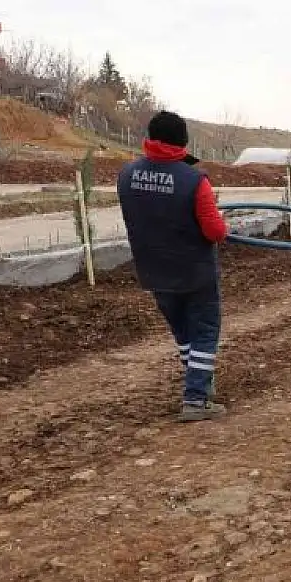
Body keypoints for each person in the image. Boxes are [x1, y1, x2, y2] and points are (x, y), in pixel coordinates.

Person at [116, 111, 229, 422]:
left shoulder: (127, 175)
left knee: (183, 332)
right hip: (194, 271)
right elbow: (214, 231)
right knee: (205, 331)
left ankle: (199, 381)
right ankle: (196, 398)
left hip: (153, 269)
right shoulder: (194, 180)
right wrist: (222, 221)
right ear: (182, 141)